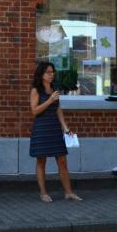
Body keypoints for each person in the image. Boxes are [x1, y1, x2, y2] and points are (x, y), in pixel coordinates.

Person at [29, 61, 82, 203]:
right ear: (41, 74)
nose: (51, 75)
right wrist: (49, 100)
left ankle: (69, 192)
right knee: (41, 161)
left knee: (62, 160)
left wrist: (65, 127)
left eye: (53, 72)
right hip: (41, 128)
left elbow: (58, 109)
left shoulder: (54, 89)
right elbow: (34, 111)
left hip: (54, 128)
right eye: (48, 72)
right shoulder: (36, 90)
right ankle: (43, 193)